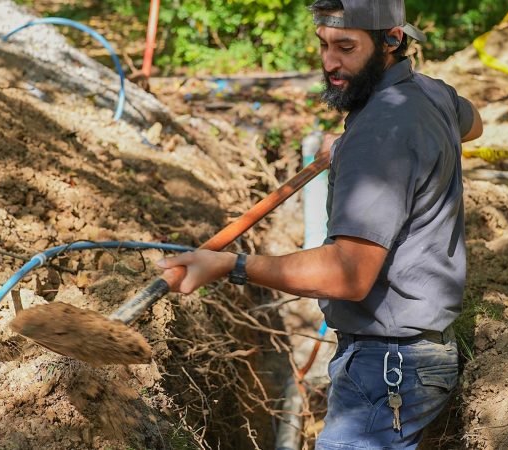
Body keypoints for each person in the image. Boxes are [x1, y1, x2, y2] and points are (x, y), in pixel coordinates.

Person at [157, 0, 483, 447]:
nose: (330, 62)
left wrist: (229, 266)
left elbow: (345, 274)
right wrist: (358, 141)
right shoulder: (431, 95)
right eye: (324, 45)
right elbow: (473, 123)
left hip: (388, 367)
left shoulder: (380, 134)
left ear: (391, 40)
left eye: (346, 47)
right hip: (418, 356)